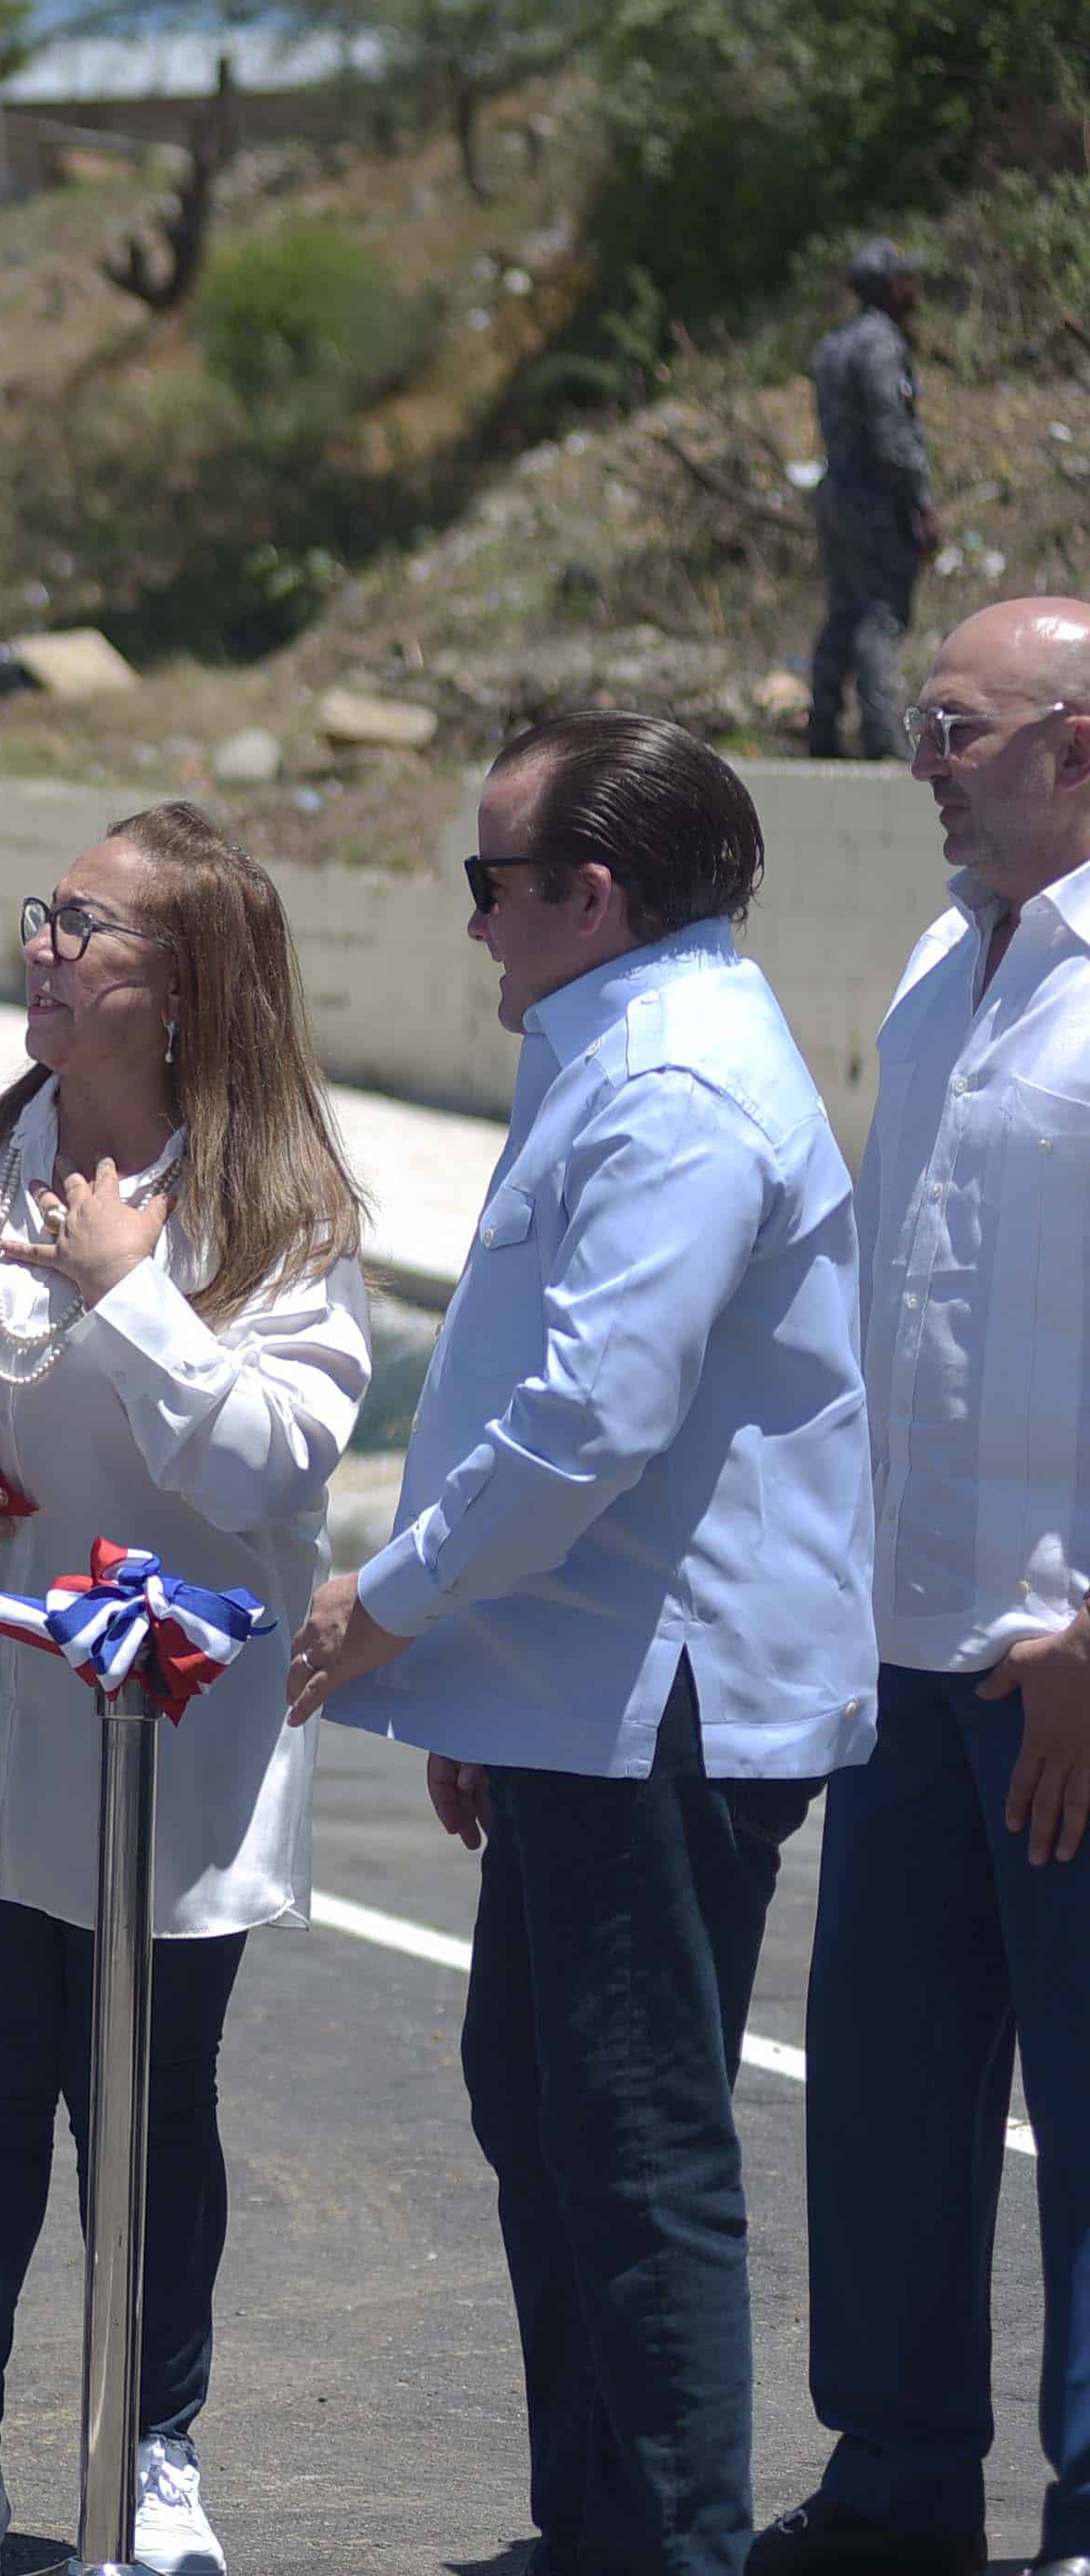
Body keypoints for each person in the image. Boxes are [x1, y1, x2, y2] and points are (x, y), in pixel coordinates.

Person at [287, 710, 877, 2576]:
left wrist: (390, 1608)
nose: (474, 926)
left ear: (588, 892)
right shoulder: (624, 1045)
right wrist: (481, 1678)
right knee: (544, 2110)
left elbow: (589, 1417)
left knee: (629, 2149)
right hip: (586, 1690)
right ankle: (603, 2527)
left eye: (493, 882)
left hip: (660, 1694)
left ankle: (669, 2546)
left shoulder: (677, 1077)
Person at [0, 807, 372, 2576]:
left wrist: (129, 1293)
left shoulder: (269, 1207)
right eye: (42, 914)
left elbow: (269, 1466)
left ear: (182, 986)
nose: (42, 946)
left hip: (169, 1742)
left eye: (84, 924)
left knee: (150, 2105)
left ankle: (150, 2454)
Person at [749, 598, 1090, 2576]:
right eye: (918, 721)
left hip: (1063, 1665)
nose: (920, 757)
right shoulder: (942, 966)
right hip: (902, 1644)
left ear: (1080, 743)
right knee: (883, 2102)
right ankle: (898, 2481)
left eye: (955, 725)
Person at [808, 241, 939, 762]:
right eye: (906, 279)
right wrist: (921, 502)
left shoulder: (832, 345)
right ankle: (882, 738)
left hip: (836, 492)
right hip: (876, 498)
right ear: (890, 288)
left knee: (843, 608)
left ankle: (822, 728)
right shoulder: (883, 345)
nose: (914, 289)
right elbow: (892, 433)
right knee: (879, 613)